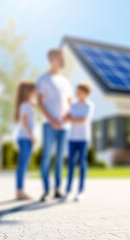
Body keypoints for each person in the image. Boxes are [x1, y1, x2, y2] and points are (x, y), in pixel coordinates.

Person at [37, 49, 72, 202]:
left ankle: (58, 188)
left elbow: (69, 102)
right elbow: (40, 102)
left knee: (59, 158)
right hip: (49, 125)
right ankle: (46, 190)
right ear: (52, 59)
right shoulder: (43, 79)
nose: (63, 61)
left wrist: (67, 118)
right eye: (60, 58)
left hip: (64, 127)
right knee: (46, 157)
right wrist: (52, 120)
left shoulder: (65, 81)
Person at [63, 83, 94, 201]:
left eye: (80, 91)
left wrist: (72, 119)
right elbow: (66, 118)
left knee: (82, 163)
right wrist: (67, 107)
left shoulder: (89, 105)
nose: (77, 93)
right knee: (71, 164)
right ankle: (68, 190)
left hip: (83, 139)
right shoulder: (73, 105)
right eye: (77, 91)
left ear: (85, 93)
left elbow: (83, 120)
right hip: (72, 138)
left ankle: (81, 191)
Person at [15, 82, 37, 200]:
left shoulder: (28, 104)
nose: (36, 93)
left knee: (23, 165)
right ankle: (20, 191)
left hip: (25, 138)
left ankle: (20, 190)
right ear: (28, 92)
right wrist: (32, 136)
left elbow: (37, 104)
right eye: (34, 91)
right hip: (25, 138)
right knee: (22, 165)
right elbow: (24, 123)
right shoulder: (24, 105)